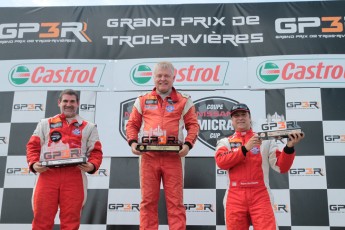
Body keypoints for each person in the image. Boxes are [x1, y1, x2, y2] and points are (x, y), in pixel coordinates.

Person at [126, 61, 199, 230]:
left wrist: (188, 145)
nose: (162, 79)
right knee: (147, 202)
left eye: (166, 76)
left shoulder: (184, 100)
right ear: (154, 77)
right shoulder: (142, 99)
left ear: (174, 78)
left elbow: (193, 126)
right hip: (148, 157)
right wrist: (133, 142)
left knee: (176, 203)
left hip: (173, 157)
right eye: (159, 75)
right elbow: (132, 125)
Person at [215, 103, 304, 230]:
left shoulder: (265, 139)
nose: (240, 118)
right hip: (234, 196)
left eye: (243, 114)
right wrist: (245, 148)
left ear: (250, 118)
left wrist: (289, 148)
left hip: (260, 194)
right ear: (231, 121)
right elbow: (221, 162)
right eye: (236, 116)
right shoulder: (225, 142)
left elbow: (281, 166)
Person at [26, 89, 103, 230]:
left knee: (71, 222)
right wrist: (33, 163)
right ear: (59, 103)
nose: (69, 104)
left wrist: (92, 165)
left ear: (78, 103)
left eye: (72, 101)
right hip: (47, 175)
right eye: (65, 101)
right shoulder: (45, 123)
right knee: (41, 220)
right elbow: (32, 146)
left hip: (74, 176)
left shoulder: (89, 127)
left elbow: (96, 151)